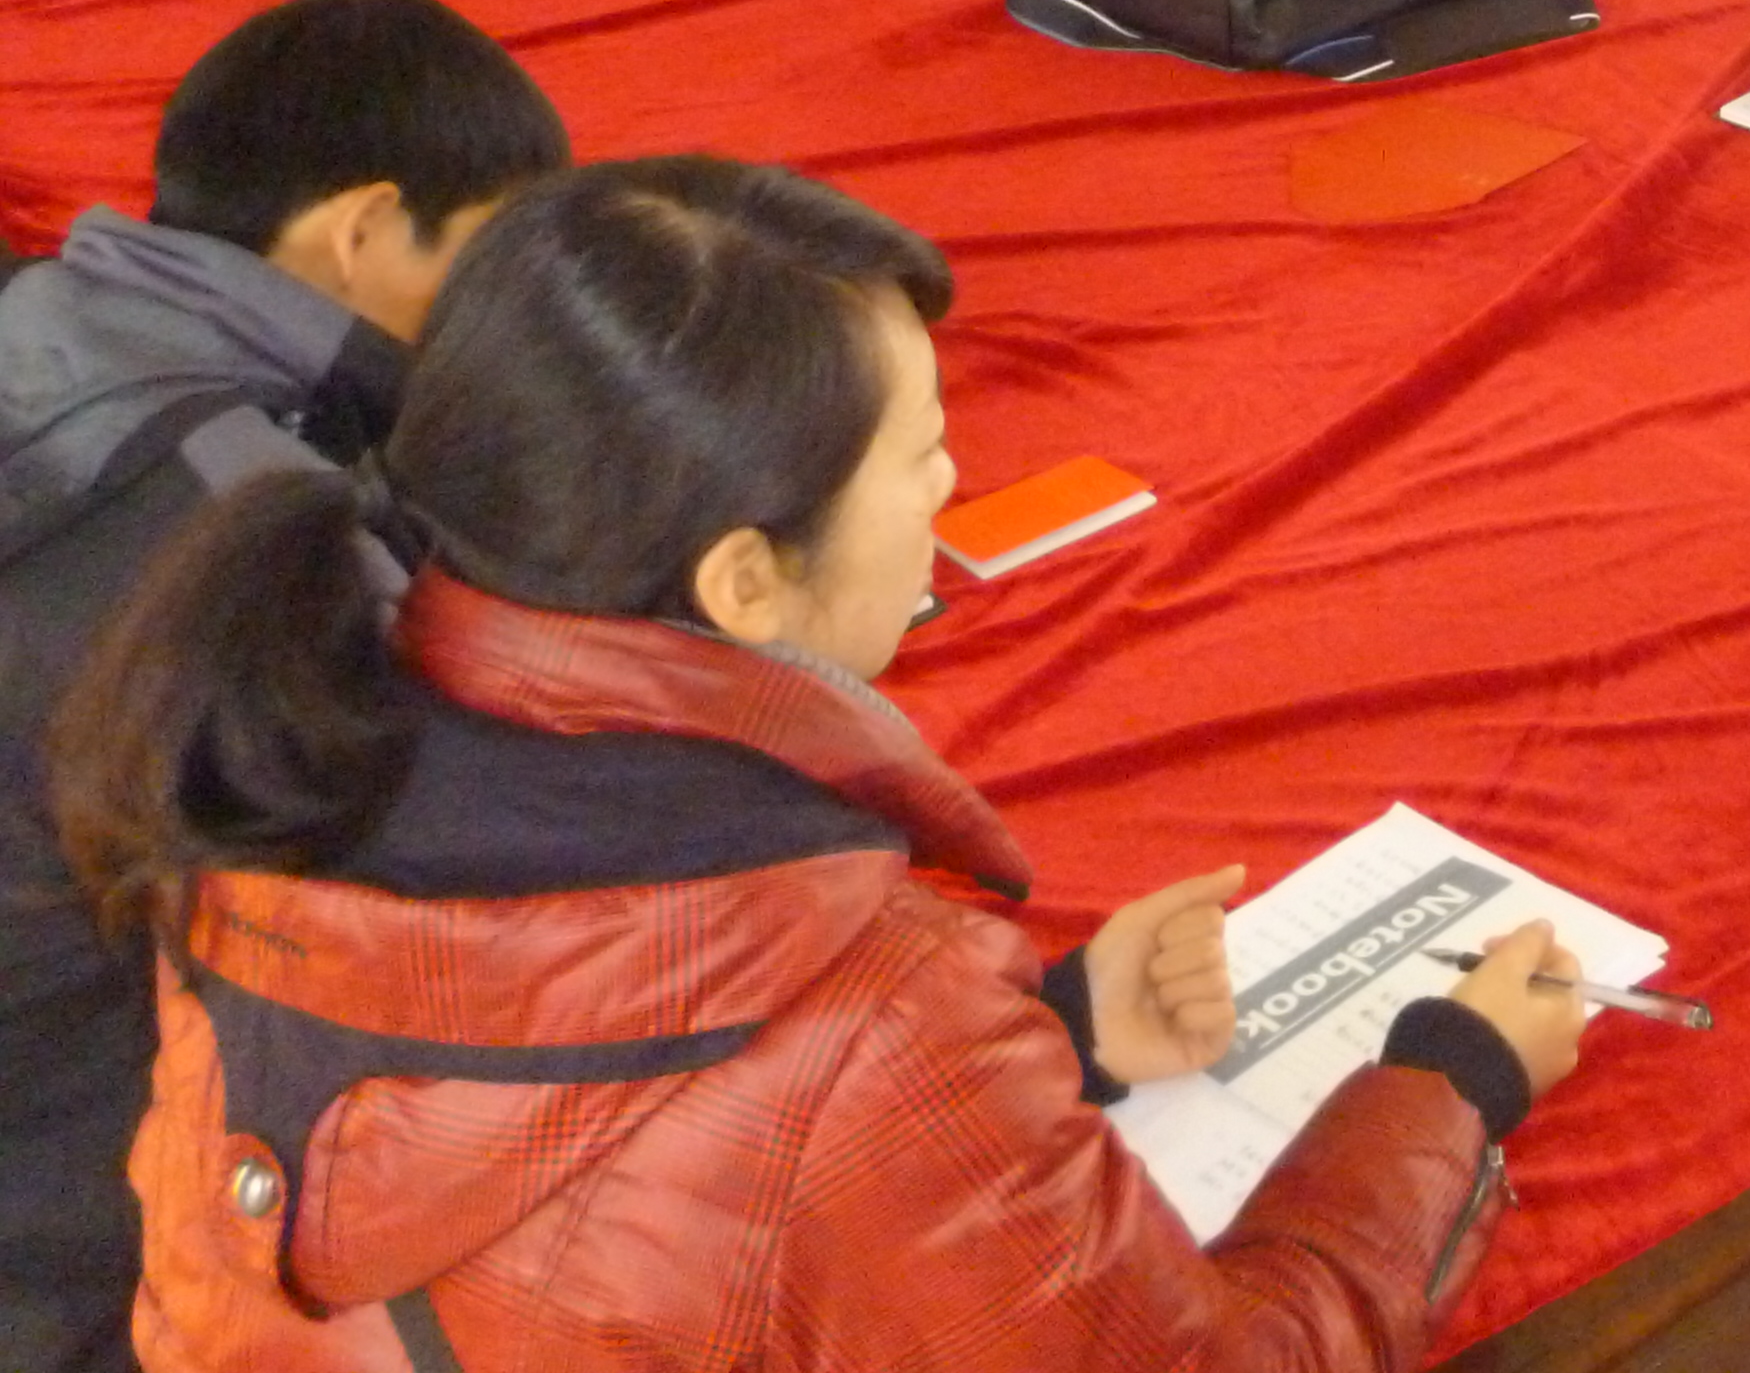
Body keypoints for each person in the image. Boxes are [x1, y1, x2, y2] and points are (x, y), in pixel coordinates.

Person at [54, 156, 1587, 1370]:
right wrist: (1442, 1092)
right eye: (920, 454)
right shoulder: (865, 1009)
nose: (952, 482)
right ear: (744, 580)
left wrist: (1056, 1041)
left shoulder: (276, 752)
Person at [0, 0, 566, 1373]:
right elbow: (455, 901)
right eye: (484, 260)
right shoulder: (247, 541)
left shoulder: (41, 317)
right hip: (82, 1234)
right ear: (362, 230)